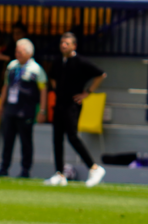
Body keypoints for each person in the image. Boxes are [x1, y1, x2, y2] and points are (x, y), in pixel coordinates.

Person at [45, 32, 107, 188]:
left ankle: (94, 168)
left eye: (66, 43)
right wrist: (56, 89)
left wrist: (88, 92)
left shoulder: (80, 62)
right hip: (59, 103)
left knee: (72, 137)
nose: (63, 45)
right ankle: (59, 174)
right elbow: (52, 77)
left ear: (74, 46)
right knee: (57, 139)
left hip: (72, 105)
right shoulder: (58, 61)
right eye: (62, 42)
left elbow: (101, 75)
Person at [0, 38, 47, 178]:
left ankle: (25, 169)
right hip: (11, 108)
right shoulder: (12, 66)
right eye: (16, 51)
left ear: (29, 53)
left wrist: (42, 110)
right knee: (7, 140)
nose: (17, 54)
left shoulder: (36, 69)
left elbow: (43, 90)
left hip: (26, 110)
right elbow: (6, 85)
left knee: (26, 141)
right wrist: (1, 105)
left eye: (20, 51)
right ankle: (4, 167)